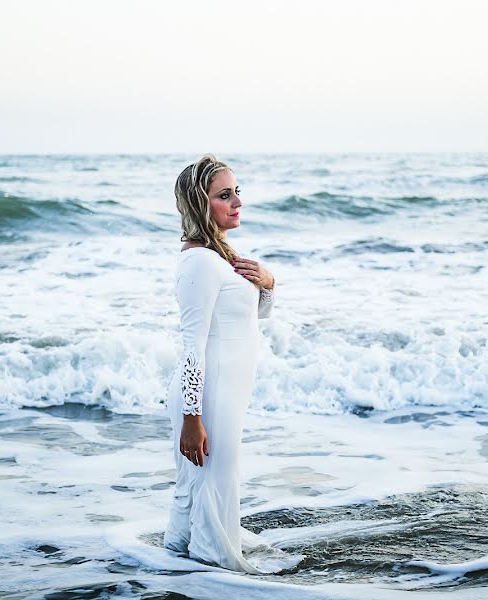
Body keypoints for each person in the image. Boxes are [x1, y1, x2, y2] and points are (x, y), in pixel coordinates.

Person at [162, 154, 282, 573]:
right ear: (200, 203)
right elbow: (191, 345)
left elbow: (255, 316)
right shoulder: (199, 261)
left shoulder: (219, 256)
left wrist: (267, 282)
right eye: (224, 195)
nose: (237, 202)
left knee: (205, 487)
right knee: (212, 484)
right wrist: (192, 419)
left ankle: (177, 569)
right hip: (207, 396)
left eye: (237, 192)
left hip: (223, 394)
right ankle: (210, 577)